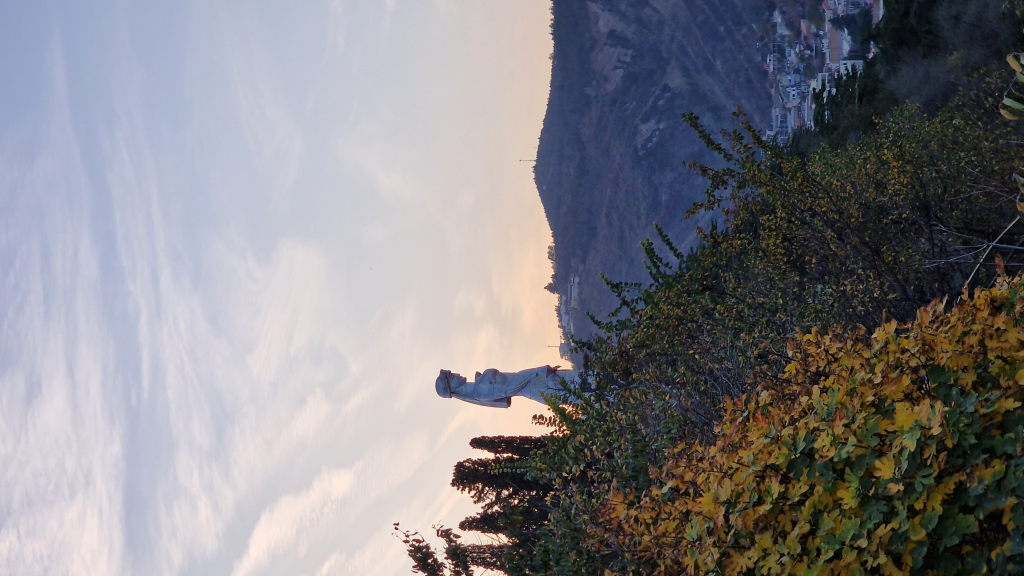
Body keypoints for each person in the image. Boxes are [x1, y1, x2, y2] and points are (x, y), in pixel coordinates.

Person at [435, 365, 579, 407]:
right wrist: (541, 370)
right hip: (540, 386)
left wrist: (540, 371)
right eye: (452, 376)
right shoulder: (480, 393)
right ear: (451, 388)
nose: (456, 374)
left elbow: (516, 377)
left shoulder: (479, 384)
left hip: (540, 379)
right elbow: (511, 387)